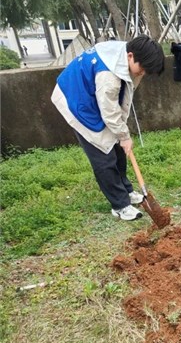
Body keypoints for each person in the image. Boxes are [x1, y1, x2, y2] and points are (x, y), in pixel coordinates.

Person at [51, 35, 165, 221]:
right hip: (76, 100)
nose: (142, 73)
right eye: (142, 68)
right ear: (130, 56)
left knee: (118, 149)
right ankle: (119, 205)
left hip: (93, 96)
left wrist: (121, 136)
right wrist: (124, 135)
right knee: (103, 155)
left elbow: (120, 101)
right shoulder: (108, 76)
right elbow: (109, 110)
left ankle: (126, 191)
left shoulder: (127, 57)